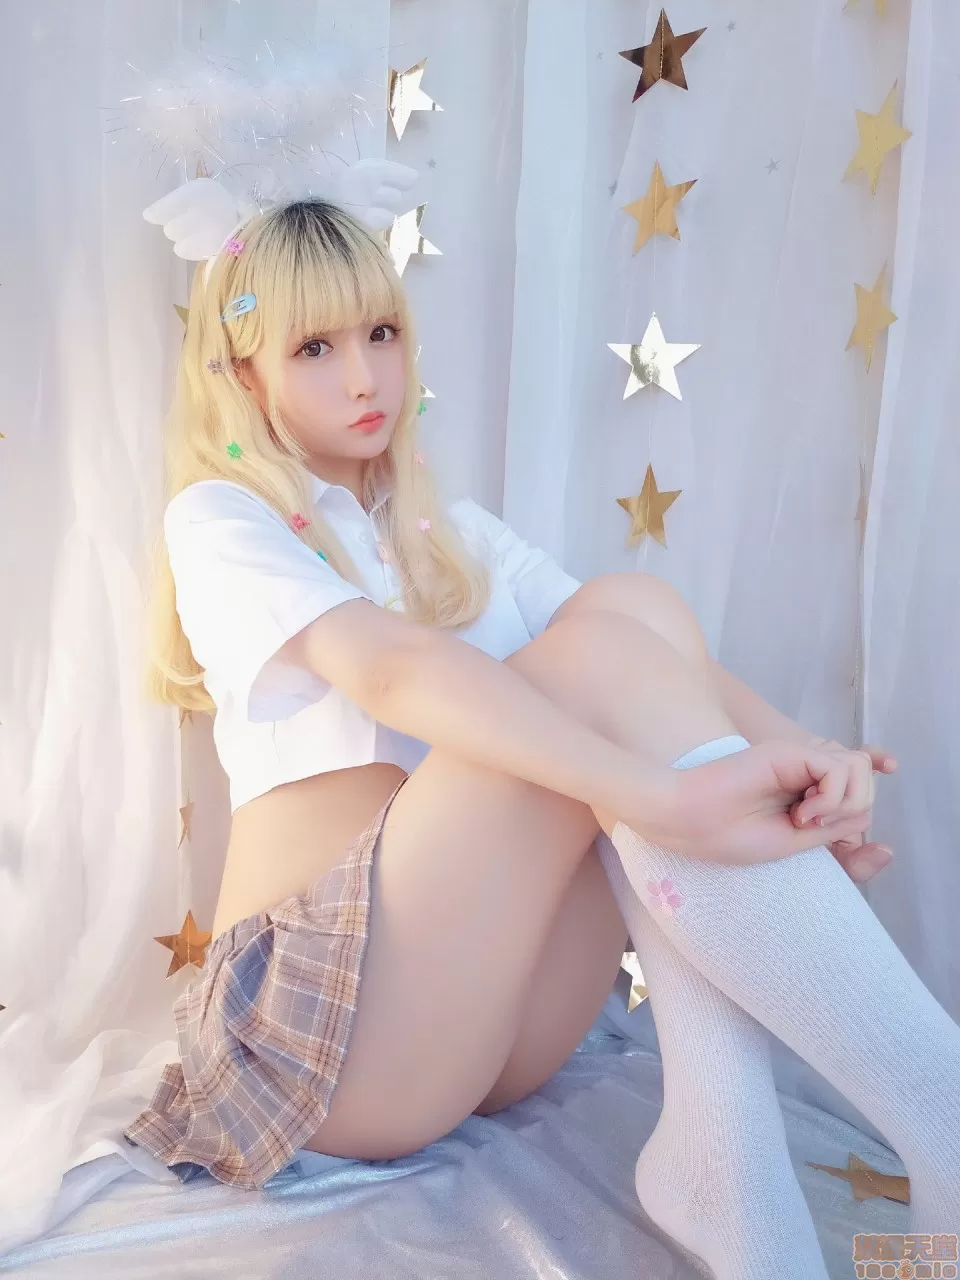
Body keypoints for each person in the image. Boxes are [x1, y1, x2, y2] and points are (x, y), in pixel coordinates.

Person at [123, 198, 958, 1279]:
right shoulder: (222, 516)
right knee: (588, 669)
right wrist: (661, 797)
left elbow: (657, 657)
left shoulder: (443, 531)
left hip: (490, 1024)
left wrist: (811, 762)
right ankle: (938, 1110)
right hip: (311, 1036)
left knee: (630, 609)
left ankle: (727, 1153)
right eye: (315, 349)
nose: (365, 377)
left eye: (381, 333)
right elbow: (390, 667)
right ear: (241, 374)